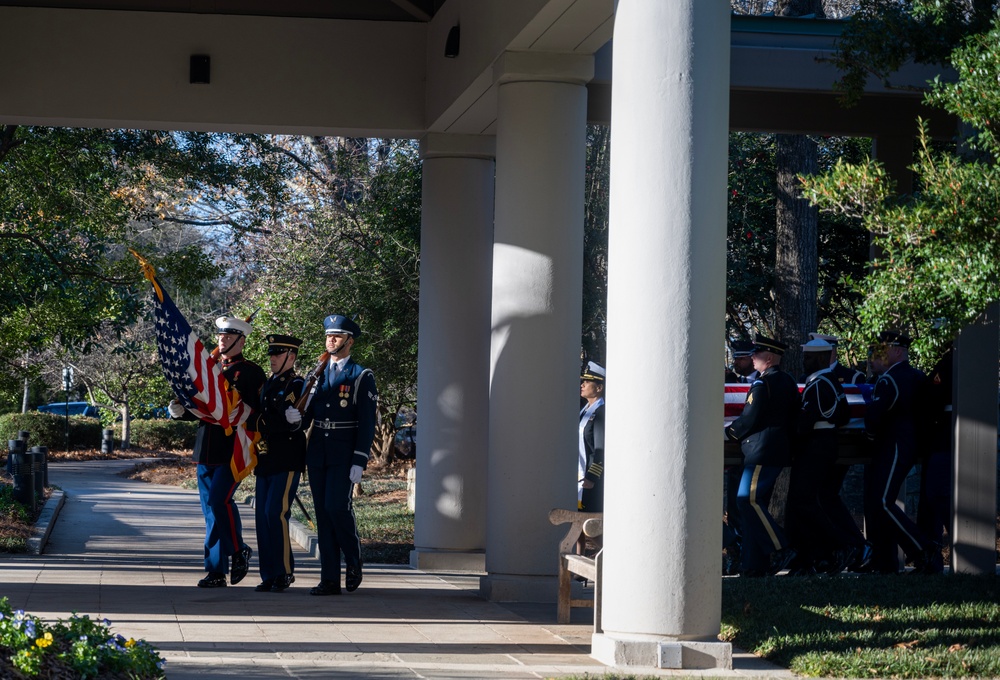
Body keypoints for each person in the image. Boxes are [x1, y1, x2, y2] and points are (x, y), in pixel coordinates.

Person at [168, 316, 266, 588]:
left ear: (240, 340)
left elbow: (251, 410)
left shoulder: (250, 372)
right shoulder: (208, 368)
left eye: (228, 336)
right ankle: (215, 570)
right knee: (210, 510)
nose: (221, 339)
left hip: (232, 447)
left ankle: (238, 550)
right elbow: (203, 408)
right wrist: (181, 412)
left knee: (217, 501)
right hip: (206, 447)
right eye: (220, 335)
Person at [286, 314, 377, 596]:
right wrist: (295, 419)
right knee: (324, 514)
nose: (331, 340)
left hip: (344, 452)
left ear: (349, 341)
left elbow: (367, 422)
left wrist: (360, 460)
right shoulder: (318, 373)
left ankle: (353, 557)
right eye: (328, 336)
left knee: (337, 506)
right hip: (318, 453)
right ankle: (329, 579)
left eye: (337, 336)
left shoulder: (361, 376)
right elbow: (307, 414)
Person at [725, 334, 800, 577]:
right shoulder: (788, 381)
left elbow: (749, 418)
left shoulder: (762, 384)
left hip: (761, 451)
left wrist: (729, 433)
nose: (752, 358)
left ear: (768, 358)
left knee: (746, 500)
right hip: (776, 450)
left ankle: (781, 547)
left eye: (756, 355)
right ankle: (754, 565)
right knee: (756, 507)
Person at [863, 330, 937, 574]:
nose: (876, 355)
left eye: (881, 350)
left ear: (897, 351)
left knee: (882, 502)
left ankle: (923, 550)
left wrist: (871, 437)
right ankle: (889, 560)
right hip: (911, 445)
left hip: (893, 445)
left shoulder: (889, 380)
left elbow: (874, 417)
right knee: (879, 502)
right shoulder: (918, 376)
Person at [784, 338, 856, 575]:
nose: (804, 362)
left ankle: (842, 544)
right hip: (825, 444)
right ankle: (813, 557)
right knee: (805, 501)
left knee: (802, 501)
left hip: (814, 446)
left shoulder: (817, 384)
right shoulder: (831, 382)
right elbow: (844, 415)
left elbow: (804, 424)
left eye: (809, 358)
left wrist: (790, 430)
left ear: (823, 358)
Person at [248, 334, 307, 593]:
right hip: (265, 458)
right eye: (271, 354)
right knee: (262, 517)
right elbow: (263, 417)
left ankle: (284, 572)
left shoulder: (296, 384)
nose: (271, 358)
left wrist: (282, 421)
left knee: (276, 513)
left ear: (291, 357)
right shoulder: (267, 384)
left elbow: (286, 421)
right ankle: (269, 574)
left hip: (286, 458)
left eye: (277, 354)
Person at [578, 361, 606, 513]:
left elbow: (600, 448)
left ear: (599, 388)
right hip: (580, 475)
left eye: (587, 382)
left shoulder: (601, 412)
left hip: (591, 479)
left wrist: (592, 477)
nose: (582, 384)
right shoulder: (585, 411)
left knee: (590, 522)